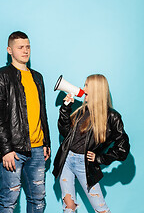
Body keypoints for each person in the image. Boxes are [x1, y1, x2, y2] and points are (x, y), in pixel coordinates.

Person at [0, 31, 51, 213]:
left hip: (38, 149)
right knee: (9, 200)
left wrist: (46, 142)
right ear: (10, 50)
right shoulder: (0, 76)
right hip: (13, 150)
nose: (25, 51)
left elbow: (42, 112)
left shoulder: (37, 77)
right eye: (20, 47)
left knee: (38, 200)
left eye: (28, 46)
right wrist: (6, 149)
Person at [53, 74, 130, 213]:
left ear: (97, 89)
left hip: (85, 165)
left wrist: (101, 158)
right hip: (67, 160)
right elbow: (65, 133)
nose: (83, 88)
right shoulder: (82, 111)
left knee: (101, 209)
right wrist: (65, 109)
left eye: (87, 85)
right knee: (68, 208)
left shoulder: (112, 116)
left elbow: (123, 147)